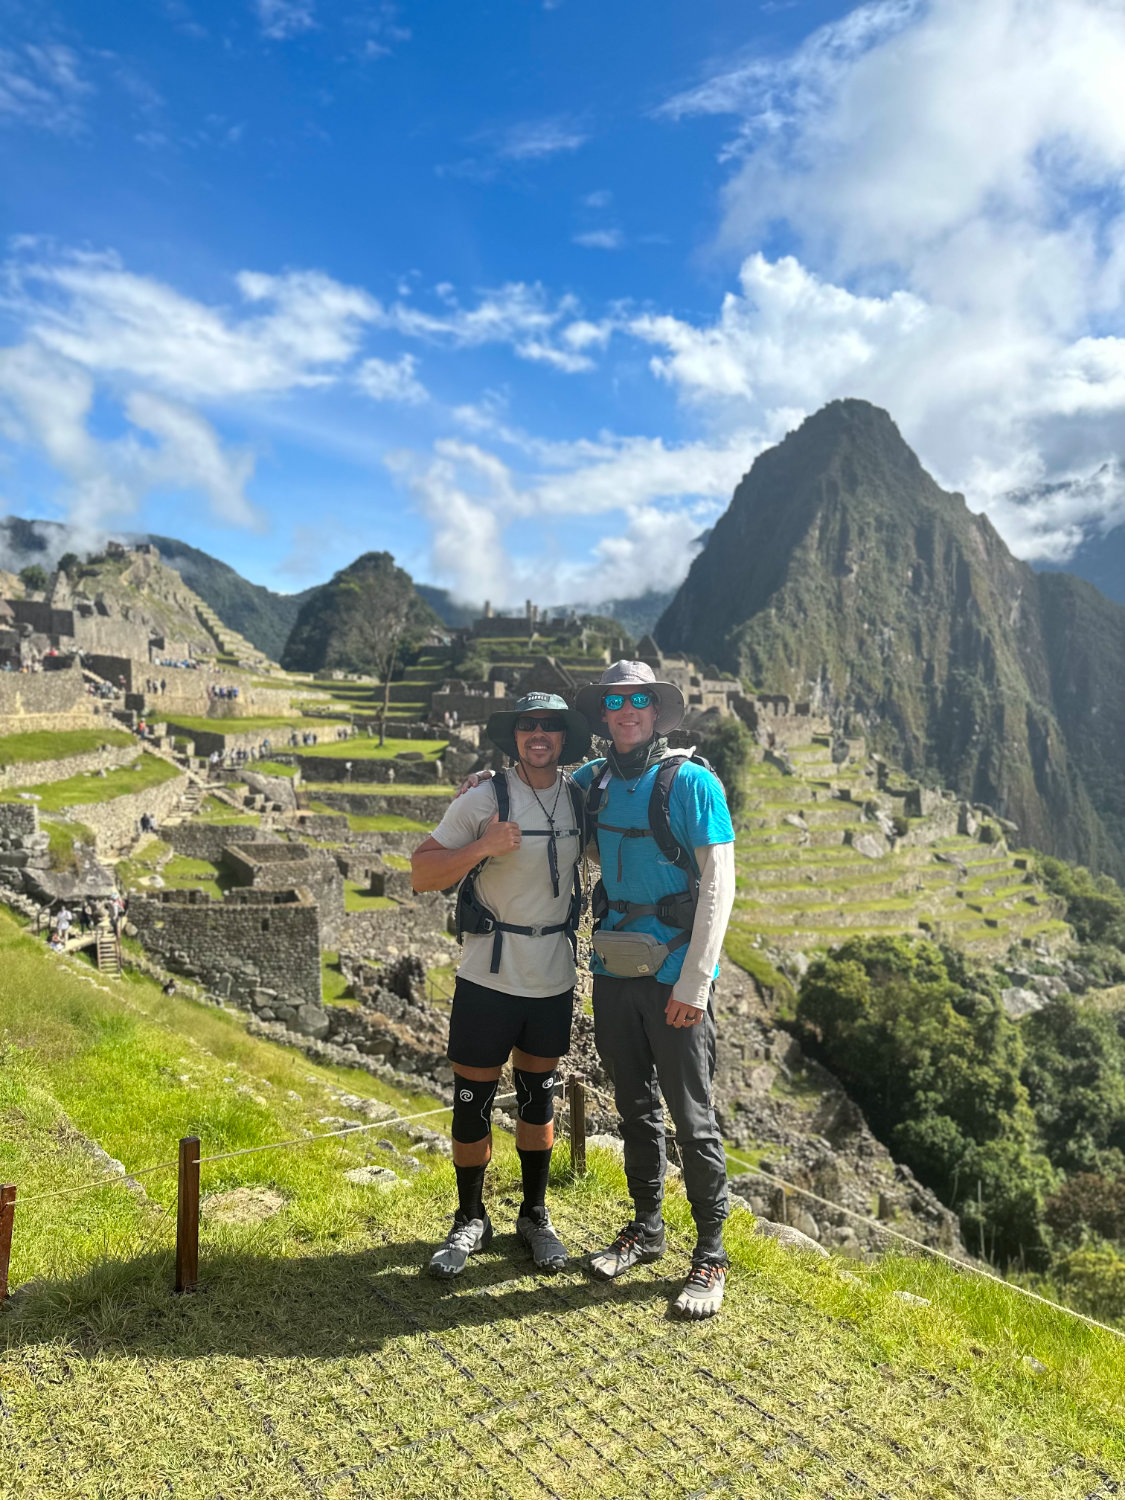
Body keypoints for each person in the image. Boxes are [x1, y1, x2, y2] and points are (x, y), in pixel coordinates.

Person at [570, 661, 736, 1319]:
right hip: (612, 969)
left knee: (692, 1120)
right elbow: (543, 794)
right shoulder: (595, 782)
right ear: (605, 715)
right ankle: (646, 1229)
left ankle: (711, 1256)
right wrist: (486, 784)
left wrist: (695, 981)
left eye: (639, 699)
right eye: (615, 701)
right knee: (633, 1109)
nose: (627, 709)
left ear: (655, 711)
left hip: (673, 976)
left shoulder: (691, 783)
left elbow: (718, 884)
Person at [411, 692, 591, 1279]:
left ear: (564, 737)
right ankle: (470, 1216)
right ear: (513, 736)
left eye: (550, 726)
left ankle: (535, 1215)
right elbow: (421, 871)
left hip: (552, 972)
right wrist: (482, 846)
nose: (538, 734)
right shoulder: (485, 796)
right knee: (473, 1102)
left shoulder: (580, 796)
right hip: (488, 973)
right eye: (527, 726)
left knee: (539, 1102)